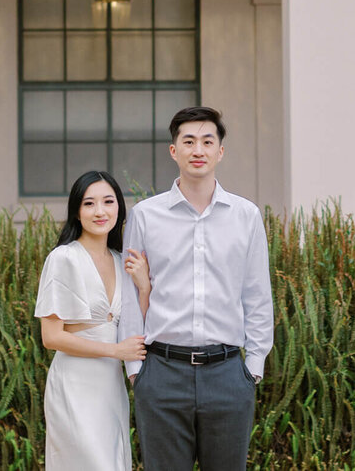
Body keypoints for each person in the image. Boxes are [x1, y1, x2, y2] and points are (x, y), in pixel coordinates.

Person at [119, 106, 274, 471]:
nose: (198, 150)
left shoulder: (246, 216)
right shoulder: (145, 215)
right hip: (161, 373)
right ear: (174, 151)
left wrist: (252, 368)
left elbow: (257, 295)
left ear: (220, 151)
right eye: (188, 142)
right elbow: (129, 295)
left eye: (207, 141)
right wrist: (136, 371)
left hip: (227, 375)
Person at [34, 170, 148, 471]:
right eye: (89, 203)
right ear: (77, 211)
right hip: (74, 383)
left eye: (108, 201)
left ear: (119, 208)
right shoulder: (63, 258)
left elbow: (139, 325)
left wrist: (144, 286)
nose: (100, 211)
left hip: (110, 387)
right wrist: (116, 351)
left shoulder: (121, 260)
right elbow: (51, 337)